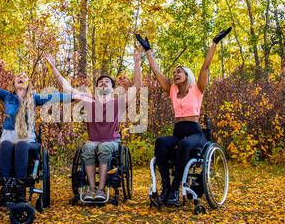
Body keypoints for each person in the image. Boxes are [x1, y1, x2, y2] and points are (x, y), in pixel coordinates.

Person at [0, 64, 90, 201]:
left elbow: (55, 97)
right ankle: (6, 187)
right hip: (7, 137)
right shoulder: (7, 97)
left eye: (25, 76)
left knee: (21, 144)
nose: (21, 77)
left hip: (26, 140)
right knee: (5, 144)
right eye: (18, 76)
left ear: (29, 83)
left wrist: (75, 96)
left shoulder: (35, 99)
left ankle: (19, 187)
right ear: (13, 82)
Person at [135, 27, 231, 206]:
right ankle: (166, 185)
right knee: (162, 142)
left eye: (179, 72)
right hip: (178, 131)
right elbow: (157, 73)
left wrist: (214, 43)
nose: (175, 74)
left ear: (188, 75)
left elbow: (206, 67)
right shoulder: (172, 90)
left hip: (195, 133)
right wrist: (148, 50)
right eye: (174, 73)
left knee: (184, 145)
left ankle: (174, 188)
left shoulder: (197, 89)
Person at [45, 47, 142, 201]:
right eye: (101, 82)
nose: (104, 83)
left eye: (107, 82)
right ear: (97, 88)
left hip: (111, 141)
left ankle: (101, 190)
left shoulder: (118, 102)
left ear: (112, 87)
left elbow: (136, 86)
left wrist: (137, 62)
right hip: (93, 140)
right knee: (88, 148)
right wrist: (54, 67)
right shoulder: (89, 100)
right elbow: (68, 89)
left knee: (103, 148)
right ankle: (91, 189)